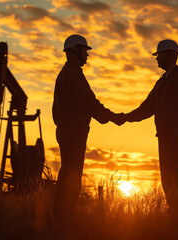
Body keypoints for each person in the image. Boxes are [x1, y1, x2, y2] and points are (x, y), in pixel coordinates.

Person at [116, 39, 178, 215]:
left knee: (175, 171)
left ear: (170, 55)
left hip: (177, 135)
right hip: (163, 136)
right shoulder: (160, 83)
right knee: (166, 175)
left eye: (159, 55)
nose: (157, 59)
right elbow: (146, 108)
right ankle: (173, 209)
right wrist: (125, 117)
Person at [52, 34, 121, 227]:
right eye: (85, 51)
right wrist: (111, 117)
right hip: (73, 132)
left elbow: (86, 102)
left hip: (70, 131)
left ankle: (61, 219)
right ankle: (65, 220)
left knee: (68, 174)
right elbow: (88, 102)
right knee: (72, 177)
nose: (87, 56)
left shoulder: (69, 72)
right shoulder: (72, 73)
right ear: (75, 51)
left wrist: (107, 116)